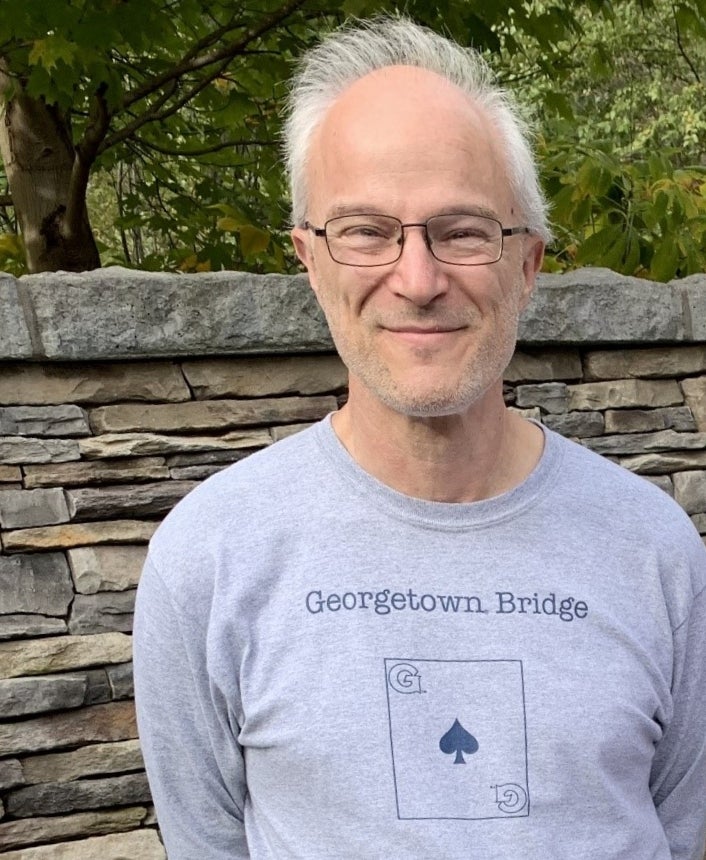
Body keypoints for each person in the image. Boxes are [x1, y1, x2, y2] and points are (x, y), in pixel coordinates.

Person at [133, 17, 706, 859]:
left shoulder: (656, 550)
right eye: (366, 230)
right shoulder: (212, 558)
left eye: (463, 231)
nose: (418, 279)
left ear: (528, 263)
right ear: (311, 258)